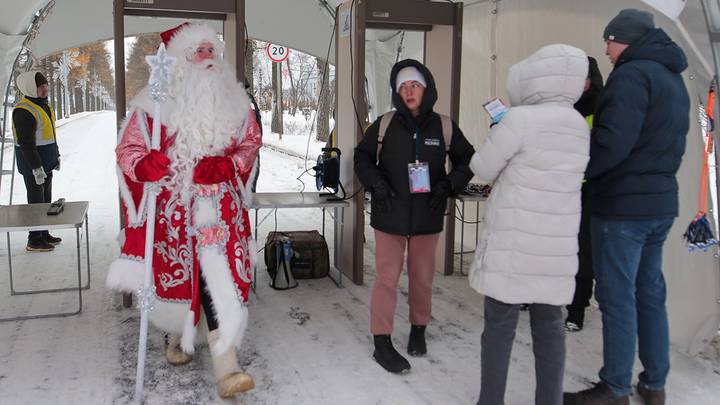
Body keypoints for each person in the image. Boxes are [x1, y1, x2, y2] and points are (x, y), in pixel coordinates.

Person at [105, 23, 262, 398]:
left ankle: (227, 365)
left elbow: (250, 144)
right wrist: (145, 166)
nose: (208, 56)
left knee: (217, 278)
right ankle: (177, 334)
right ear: (180, 61)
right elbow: (128, 151)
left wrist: (228, 166)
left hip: (221, 212)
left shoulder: (235, 102)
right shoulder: (153, 104)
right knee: (179, 275)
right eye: (199, 51)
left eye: (212, 50)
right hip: (173, 214)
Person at [564, 9, 689, 405]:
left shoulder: (632, 76)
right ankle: (654, 384)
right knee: (649, 294)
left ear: (628, 39)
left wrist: (582, 174)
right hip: (659, 204)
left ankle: (614, 388)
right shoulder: (672, 78)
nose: (606, 48)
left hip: (622, 207)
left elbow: (612, 142)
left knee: (617, 299)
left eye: (610, 40)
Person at [468, 44, 590, 405]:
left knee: (500, 328)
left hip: (515, 246)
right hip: (556, 248)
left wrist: (498, 128)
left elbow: (483, 167)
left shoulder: (519, 120)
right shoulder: (578, 125)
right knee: (550, 330)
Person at [354, 59, 475, 373]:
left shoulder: (444, 126)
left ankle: (419, 329)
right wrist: (376, 183)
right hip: (389, 213)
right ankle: (382, 341)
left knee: (422, 278)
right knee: (386, 279)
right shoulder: (384, 124)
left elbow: (466, 160)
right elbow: (362, 157)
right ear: (397, 93)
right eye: (403, 87)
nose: (409, 91)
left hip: (426, 215)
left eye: (415, 85)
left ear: (426, 88)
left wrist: (449, 185)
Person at [565, 56, 604, 332]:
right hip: (562, 188)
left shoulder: (602, 106)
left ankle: (577, 308)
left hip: (588, 190)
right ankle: (536, 297)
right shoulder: (565, 106)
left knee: (583, 251)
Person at [12, 70, 62, 252]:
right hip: (33, 165)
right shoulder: (23, 111)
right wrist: (36, 168)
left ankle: (44, 232)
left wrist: (55, 157)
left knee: (46, 201)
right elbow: (26, 144)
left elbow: (49, 136)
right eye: (40, 87)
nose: (44, 89)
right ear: (30, 88)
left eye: (45, 86)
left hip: (46, 162)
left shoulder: (42, 105)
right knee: (36, 203)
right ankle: (34, 239)